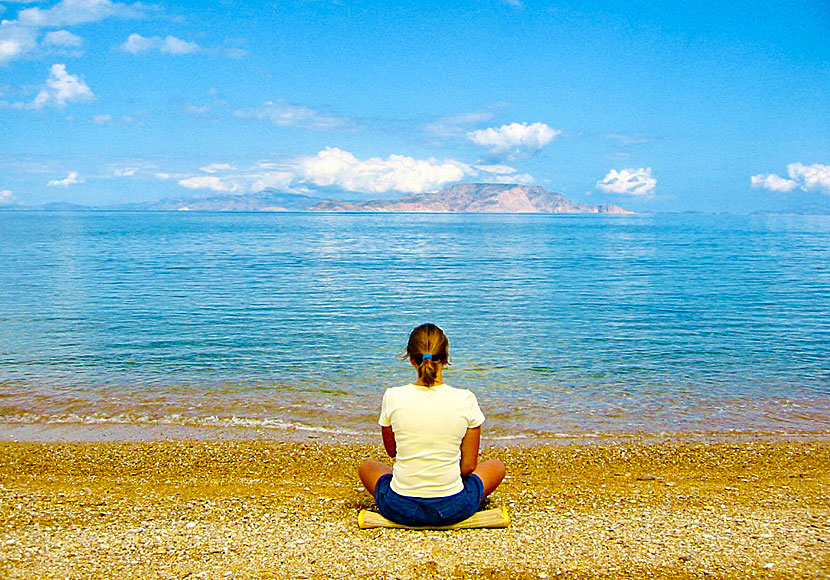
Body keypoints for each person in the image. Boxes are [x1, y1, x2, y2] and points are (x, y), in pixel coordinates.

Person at [358, 323, 506, 527]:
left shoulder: (392, 396)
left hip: (400, 507)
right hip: (452, 508)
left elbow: (392, 451)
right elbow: (468, 467)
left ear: (411, 359)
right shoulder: (465, 398)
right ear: (445, 359)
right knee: (496, 467)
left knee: (368, 467)